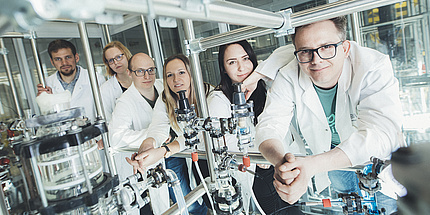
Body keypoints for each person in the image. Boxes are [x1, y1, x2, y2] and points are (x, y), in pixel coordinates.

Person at [249, 16, 404, 214]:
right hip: (333, 159)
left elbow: (381, 135)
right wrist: (285, 166)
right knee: (348, 207)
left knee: (384, 207)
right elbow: (269, 125)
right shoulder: (289, 75)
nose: (317, 60)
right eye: (306, 51)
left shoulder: (372, 66)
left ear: (345, 48)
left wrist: (310, 166)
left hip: (377, 164)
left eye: (326, 47)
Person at [207, 40, 302, 214]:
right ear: (224, 69)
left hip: (282, 164)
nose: (241, 68)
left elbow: (294, 51)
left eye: (245, 59)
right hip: (257, 173)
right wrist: (262, 152)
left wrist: (255, 77)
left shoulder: (263, 84)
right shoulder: (218, 99)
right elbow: (224, 144)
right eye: (232, 62)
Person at [127, 54, 209, 215]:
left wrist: (165, 150)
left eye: (181, 73)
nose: (175, 79)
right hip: (183, 153)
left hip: (208, 155)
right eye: (169, 75)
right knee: (189, 203)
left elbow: (199, 133)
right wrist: (148, 144)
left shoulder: (209, 93)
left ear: (192, 73)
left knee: (214, 197)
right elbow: (158, 126)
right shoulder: (166, 98)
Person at [108, 52, 167, 214]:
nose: (147, 75)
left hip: (171, 152)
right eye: (140, 71)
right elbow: (116, 138)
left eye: (151, 70)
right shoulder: (125, 102)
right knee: (158, 206)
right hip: (149, 161)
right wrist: (153, 136)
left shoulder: (163, 86)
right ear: (129, 73)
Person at [37, 39, 105, 122]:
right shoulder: (47, 84)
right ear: (52, 62)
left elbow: (106, 110)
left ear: (76, 57)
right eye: (58, 59)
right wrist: (45, 100)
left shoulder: (96, 79)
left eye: (68, 57)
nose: (64, 63)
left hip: (93, 133)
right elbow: (48, 118)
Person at [100, 41, 133, 122]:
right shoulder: (105, 89)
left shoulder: (141, 78)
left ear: (126, 55)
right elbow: (108, 120)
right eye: (111, 60)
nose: (116, 62)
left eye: (118, 57)